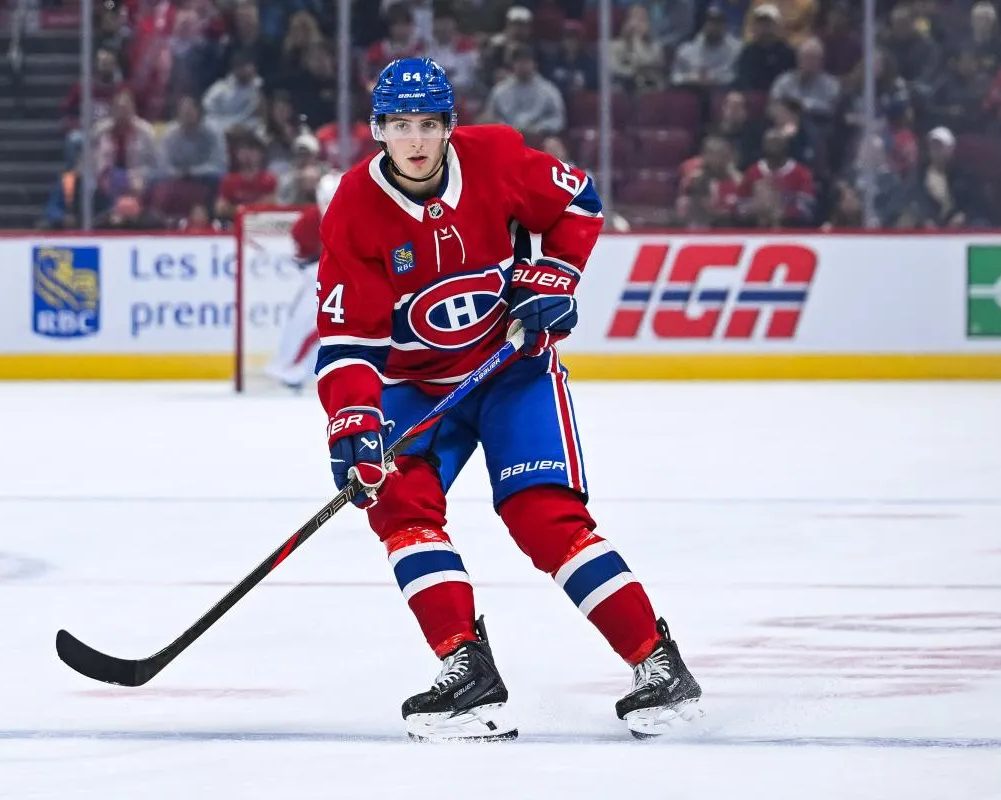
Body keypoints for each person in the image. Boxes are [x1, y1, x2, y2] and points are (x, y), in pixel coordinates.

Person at [313, 57, 704, 742]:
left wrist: (554, 275)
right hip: (414, 387)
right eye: (400, 124)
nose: (415, 139)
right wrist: (353, 420)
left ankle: (657, 663)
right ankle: (465, 668)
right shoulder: (354, 208)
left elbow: (579, 201)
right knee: (399, 504)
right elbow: (350, 339)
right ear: (378, 129)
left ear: (447, 126)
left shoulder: (494, 157)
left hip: (510, 370)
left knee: (542, 517)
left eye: (428, 124)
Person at [264, 171, 341, 390]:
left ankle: (295, 367)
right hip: (318, 280)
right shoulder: (306, 224)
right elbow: (302, 258)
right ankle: (290, 365)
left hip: (350, 282)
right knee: (301, 322)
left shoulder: (364, 218)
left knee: (329, 325)